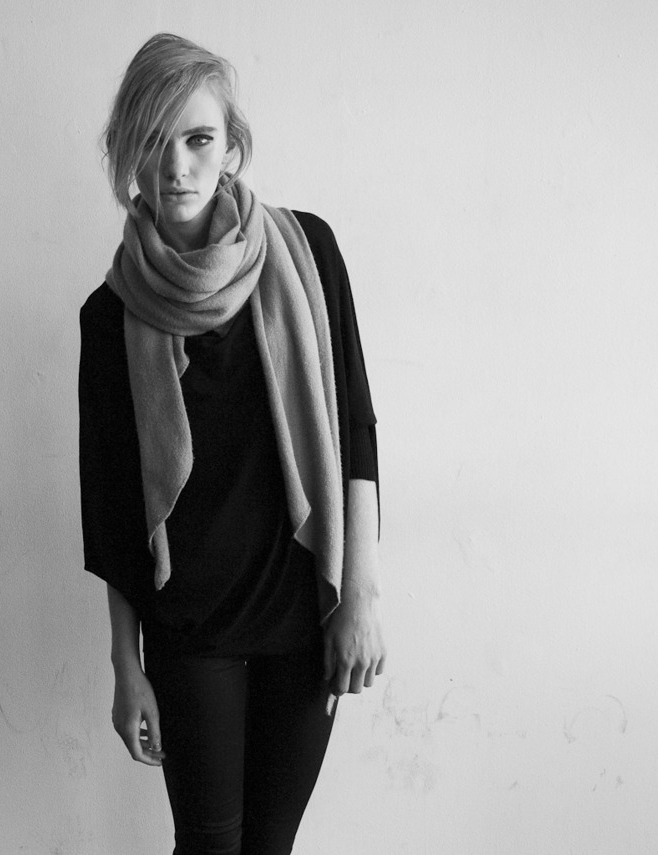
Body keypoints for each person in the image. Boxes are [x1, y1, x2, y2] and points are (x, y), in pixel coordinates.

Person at [78, 33, 387, 855]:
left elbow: (355, 427)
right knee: (210, 845)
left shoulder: (308, 253)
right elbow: (111, 506)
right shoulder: (110, 316)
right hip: (191, 624)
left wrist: (360, 596)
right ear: (127, 151)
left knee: (269, 845)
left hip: (304, 606)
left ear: (231, 146)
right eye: (154, 140)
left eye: (198, 138)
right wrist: (125, 664)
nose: (176, 165)